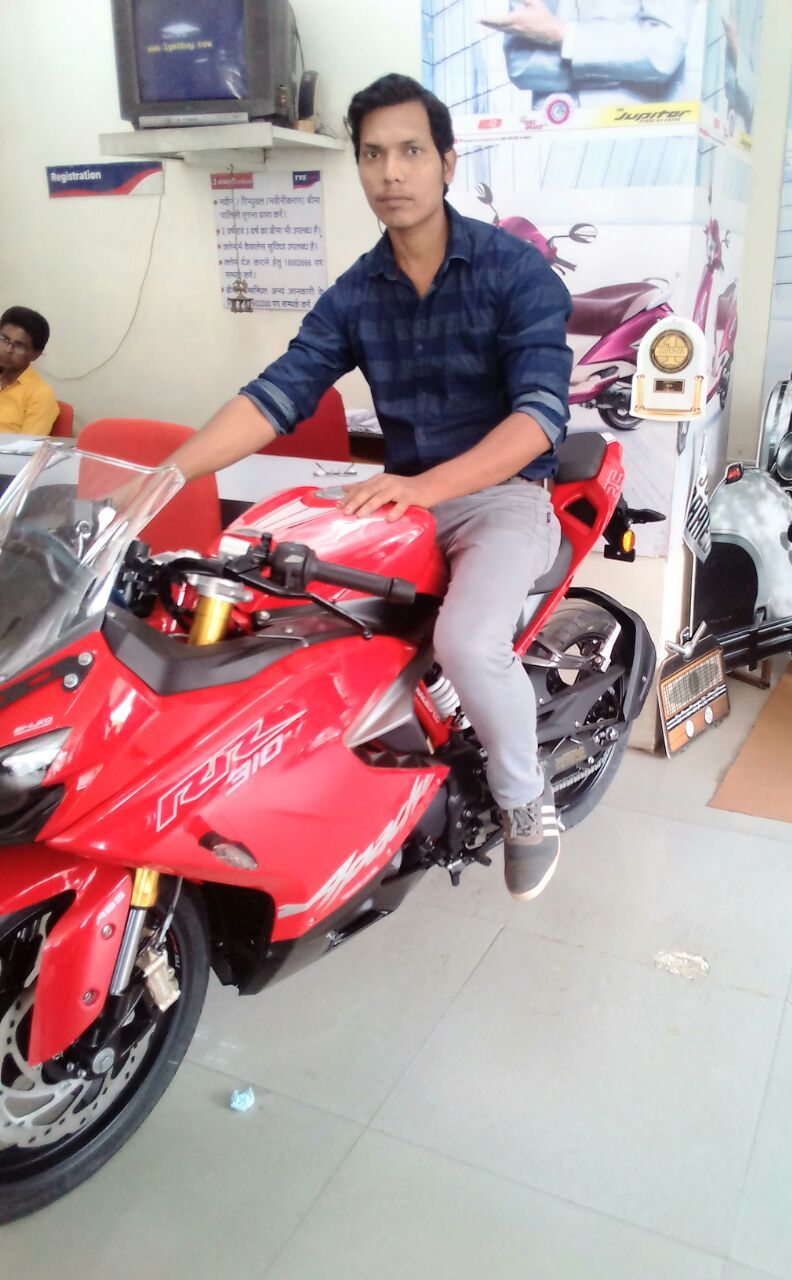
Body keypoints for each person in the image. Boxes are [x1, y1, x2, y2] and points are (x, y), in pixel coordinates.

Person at [164, 73, 573, 901]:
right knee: (279, 610)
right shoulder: (357, 292)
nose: (391, 172)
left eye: (411, 151)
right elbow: (278, 392)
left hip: (499, 496)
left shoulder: (515, 272)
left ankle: (527, 802)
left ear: (447, 163)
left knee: (468, 642)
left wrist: (426, 488)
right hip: (399, 499)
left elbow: (538, 419)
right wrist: (169, 473)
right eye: (373, 154)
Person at [481, 0, 696, 108]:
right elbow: (522, 66)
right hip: (552, 140)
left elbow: (663, 49)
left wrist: (564, 36)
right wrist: (623, 68)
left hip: (641, 140)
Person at [0, 307, 58, 436]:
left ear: (35, 354)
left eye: (19, 345)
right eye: (4, 339)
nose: (8, 349)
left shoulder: (40, 395)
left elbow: (28, 446)